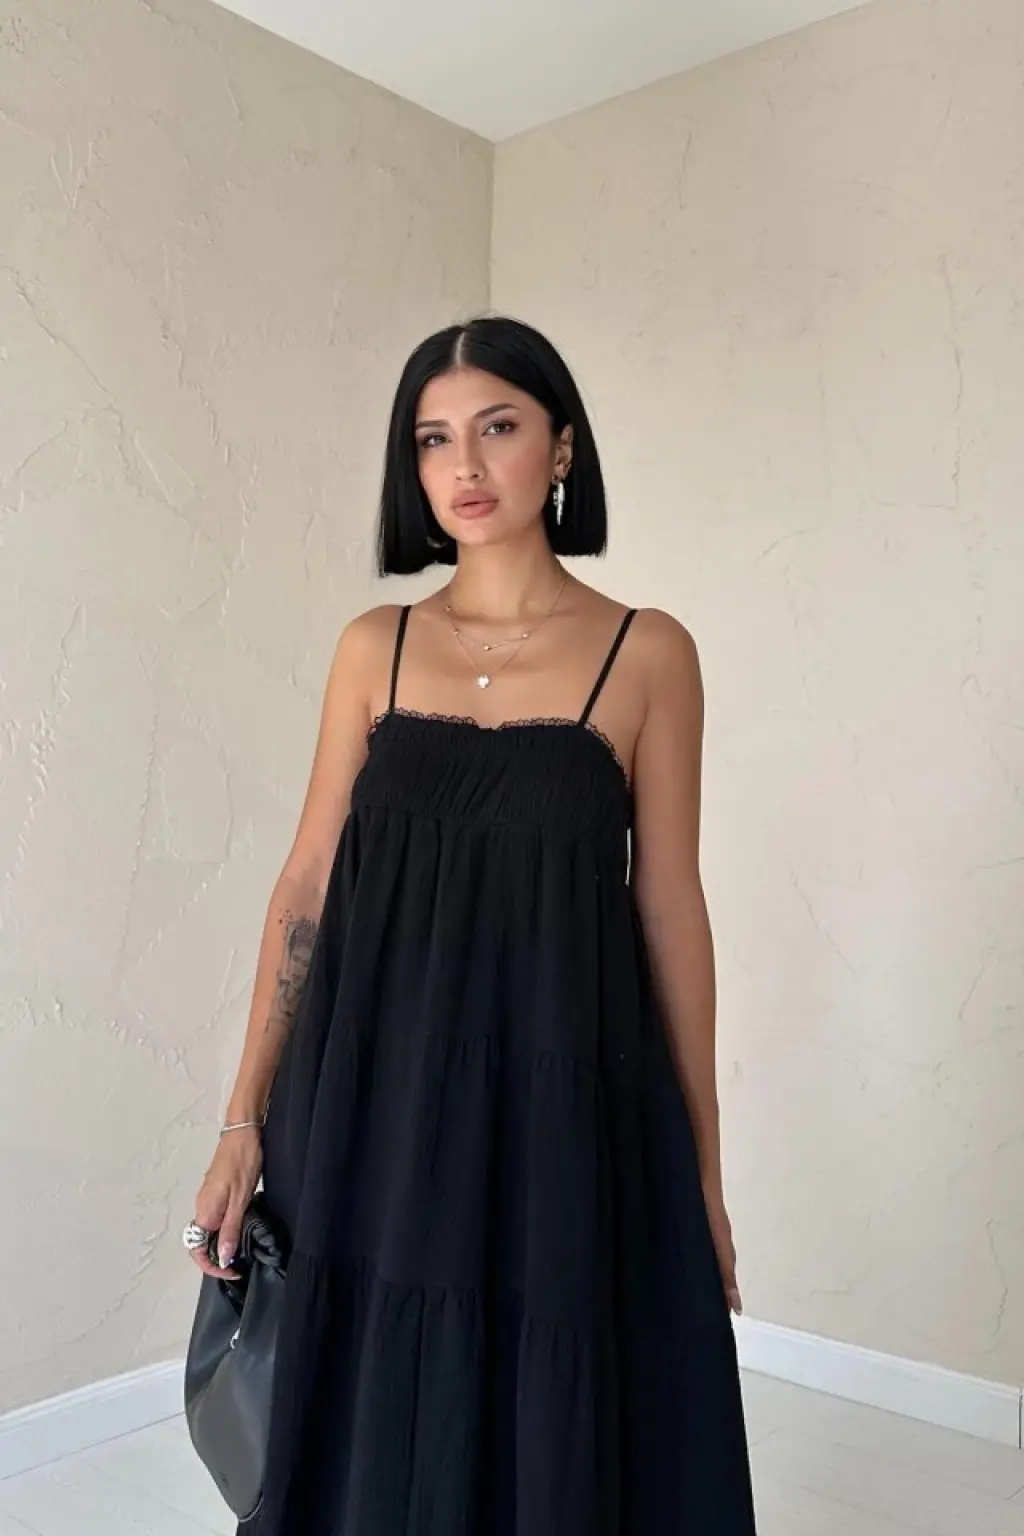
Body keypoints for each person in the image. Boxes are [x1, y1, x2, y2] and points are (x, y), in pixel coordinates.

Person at [185, 315, 757, 1533]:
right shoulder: (374, 648)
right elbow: (306, 885)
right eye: (433, 438)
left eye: (497, 427)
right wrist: (242, 1117)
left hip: (560, 1108)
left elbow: (669, 906)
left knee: (546, 1396)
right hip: (368, 1105)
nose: (465, 466)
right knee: (369, 1398)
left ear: (562, 447)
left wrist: (701, 1169)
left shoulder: (646, 655)